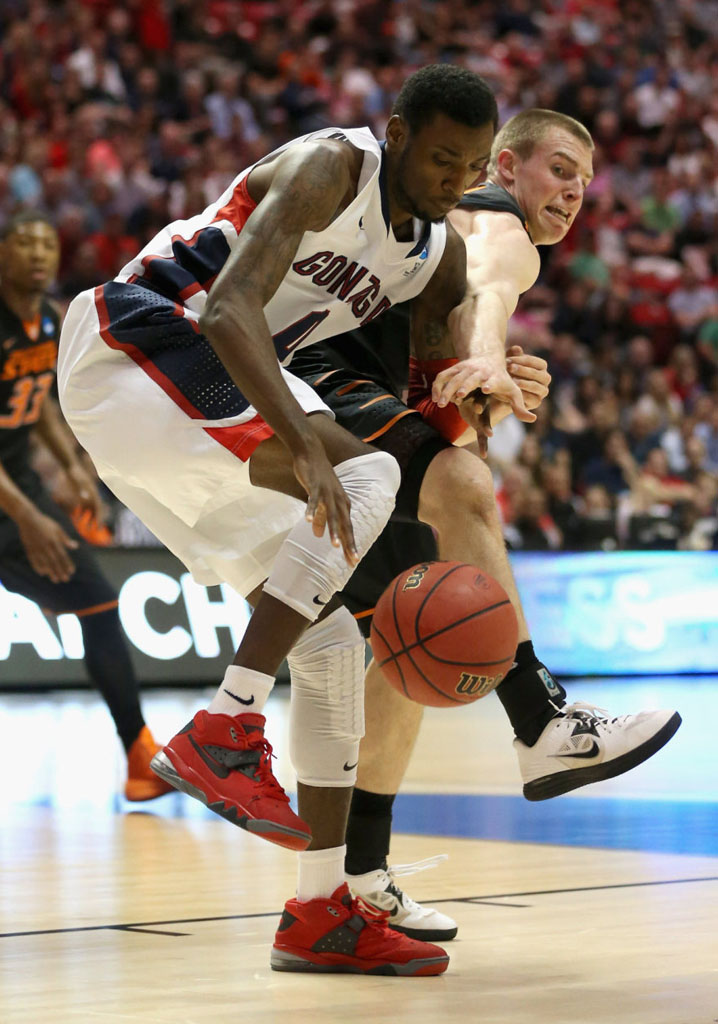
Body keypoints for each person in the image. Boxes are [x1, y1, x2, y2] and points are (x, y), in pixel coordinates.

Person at [57, 65, 506, 976]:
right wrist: (303, 438)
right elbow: (228, 307)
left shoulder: (436, 257)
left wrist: (486, 391)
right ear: (398, 132)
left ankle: (317, 912)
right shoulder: (330, 166)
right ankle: (225, 725)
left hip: (180, 418)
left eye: (473, 166)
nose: (454, 178)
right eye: (442, 157)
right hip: (142, 337)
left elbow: (424, 417)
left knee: (333, 645)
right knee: (363, 473)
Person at [288, 109, 682, 940]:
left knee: (405, 647)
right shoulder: (496, 217)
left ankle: (357, 878)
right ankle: (541, 721)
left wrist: (486, 385)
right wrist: (493, 355)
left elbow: (456, 328)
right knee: (464, 486)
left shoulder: (440, 230)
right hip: (311, 386)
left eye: (584, 181)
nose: (574, 193)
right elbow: (489, 291)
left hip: (348, 410)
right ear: (503, 165)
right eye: (560, 170)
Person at [0, 211, 172, 802]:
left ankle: (139, 757)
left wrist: (71, 465)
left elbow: (35, 398)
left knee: (98, 602)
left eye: (47, 242)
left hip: (14, 482)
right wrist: (27, 515)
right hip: (12, 500)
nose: (39, 253)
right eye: (24, 241)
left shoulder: (48, 318)